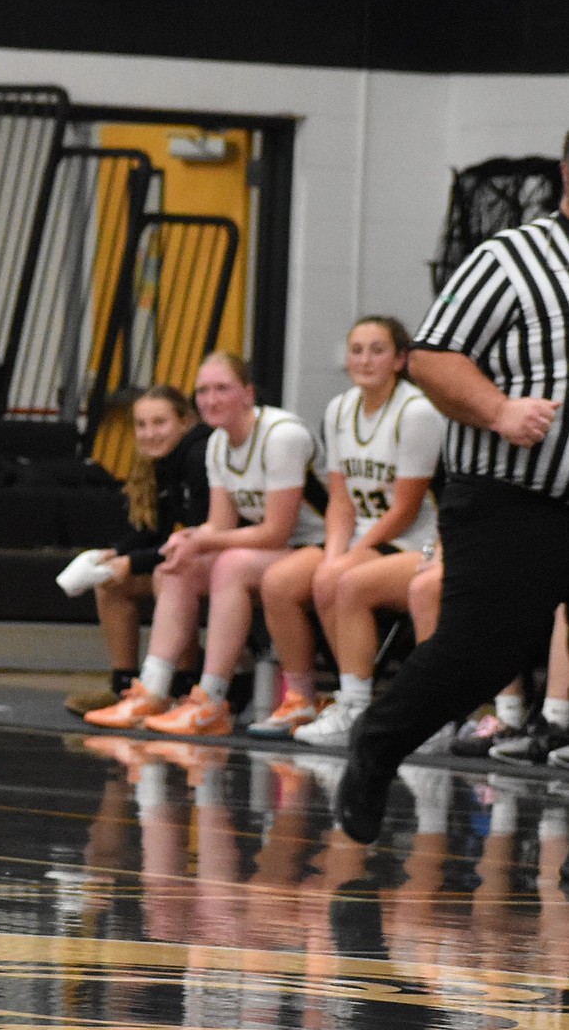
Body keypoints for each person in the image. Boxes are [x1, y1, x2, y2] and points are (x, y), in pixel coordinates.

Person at [339, 132, 569, 845]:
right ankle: (378, 741)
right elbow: (432, 359)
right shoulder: (510, 258)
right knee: (482, 653)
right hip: (513, 499)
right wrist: (500, 410)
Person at [85, 352, 325, 736]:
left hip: (322, 544)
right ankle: (151, 689)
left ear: (247, 393)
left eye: (222, 389)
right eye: (203, 391)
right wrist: (190, 539)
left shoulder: (282, 435)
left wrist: (204, 540)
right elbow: (220, 524)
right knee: (177, 564)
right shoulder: (217, 445)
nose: (211, 400)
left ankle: (211, 699)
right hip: (273, 549)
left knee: (229, 564)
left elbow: (277, 531)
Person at [252, 316, 444, 741]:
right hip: (363, 535)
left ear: (399, 359)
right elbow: (339, 500)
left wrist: (349, 558)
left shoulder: (417, 412)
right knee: (281, 583)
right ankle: (303, 698)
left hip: (413, 540)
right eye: (357, 350)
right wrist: (337, 552)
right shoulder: (340, 409)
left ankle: (356, 704)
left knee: (343, 581)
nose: (365, 359)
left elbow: (406, 508)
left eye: (377, 350)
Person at [64, 384, 210, 716]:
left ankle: (183, 687)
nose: (148, 433)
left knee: (169, 574)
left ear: (185, 422)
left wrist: (133, 562)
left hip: (218, 561)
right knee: (111, 580)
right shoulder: (164, 461)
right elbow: (152, 531)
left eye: (160, 423)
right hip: (194, 559)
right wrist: (114, 555)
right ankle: (124, 686)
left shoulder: (198, 457)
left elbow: (197, 541)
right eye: (141, 425)